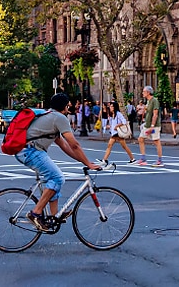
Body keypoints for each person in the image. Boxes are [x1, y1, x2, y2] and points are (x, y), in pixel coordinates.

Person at [14, 94, 103, 231]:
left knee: (52, 180)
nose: (69, 108)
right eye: (68, 105)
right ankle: (35, 213)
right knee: (57, 178)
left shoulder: (51, 116)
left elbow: (65, 146)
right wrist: (88, 164)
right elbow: (75, 145)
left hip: (28, 150)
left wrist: (84, 161)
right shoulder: (60, 118)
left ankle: (54, 217)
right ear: (64, 106)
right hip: (30, 151)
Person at [102, 100, 142, 165]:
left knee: (111, 145)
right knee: (121, 146)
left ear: (115, 107)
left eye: (112, 106)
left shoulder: (118, 113)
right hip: (114, 132)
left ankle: (105, 159)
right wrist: (109, 126)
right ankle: (132, 159)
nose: (110, 108)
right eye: (110, 106)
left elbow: (124, 121)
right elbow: (113, 124)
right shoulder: (112, 115)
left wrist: (117, 126)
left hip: (117, 133)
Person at [139, 86, 164, 166]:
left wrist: (152, 126)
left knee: (156, 141)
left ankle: (160, 160)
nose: (142, 93)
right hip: (147, 125)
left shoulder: (154, 101)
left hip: (154, 126)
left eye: (144, 91)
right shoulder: (148, 101)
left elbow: (155, 114)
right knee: (140, 139)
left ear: (148, 92)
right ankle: (143, 158)